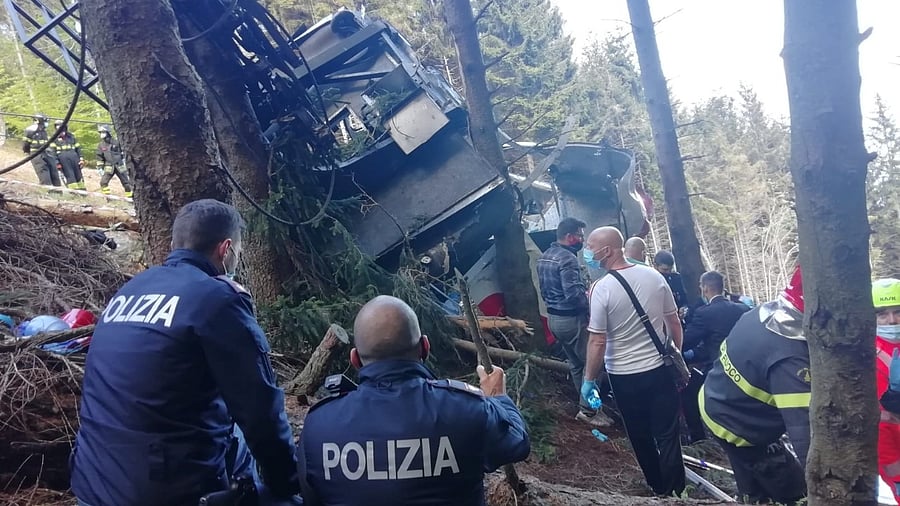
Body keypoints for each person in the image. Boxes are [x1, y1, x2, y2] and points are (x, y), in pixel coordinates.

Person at [70, 199, 301, 506]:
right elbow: (260, 410)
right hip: (165, 490)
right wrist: (288, 484)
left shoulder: (130, 290)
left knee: (237, 439)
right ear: (226, 249)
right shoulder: (217, 298)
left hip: (94, 480)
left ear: (173, 243)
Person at [297, 295, 530, 506]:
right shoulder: (467, 410)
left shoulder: (319, 425)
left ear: (355, 359)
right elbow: (517, 443)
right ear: (425, 348)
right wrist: (497, 397)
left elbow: (310, 497)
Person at [580, 226, 686, 497]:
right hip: (660, 370)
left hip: (624, 376)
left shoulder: (600, 289)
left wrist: (589, 380)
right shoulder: (653, 276)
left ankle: (657, 488)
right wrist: (675, 354)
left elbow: (597, 341)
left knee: (640, 436)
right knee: (668, 434)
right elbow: (673, 321)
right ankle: (677, 493)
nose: (587, 250)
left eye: (590, 246)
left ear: (607, 250)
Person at [700, 266, 808, 504]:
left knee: (752, 487)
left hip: (716, 403)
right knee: (794, 491)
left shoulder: (760, 313)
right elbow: (805, 433)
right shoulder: (791, 359)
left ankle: (752, 497)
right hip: (742, 427)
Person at [536, 217, 613, 427]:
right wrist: (592, 305)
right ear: (569, 237)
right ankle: (589, 412)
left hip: (554, 320)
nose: (582, 240)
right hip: (572, 321)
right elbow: (573, 295)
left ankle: (587, 407)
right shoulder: (568, 259)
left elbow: (545, 291)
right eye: (580, 235)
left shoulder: (545, 256)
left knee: (577, 366)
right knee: (594, 366)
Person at [680, 271, 750, 445]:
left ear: (704, 288)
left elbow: (688, 341)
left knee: (688, 395)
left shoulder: (704, 313)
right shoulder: (742, 308)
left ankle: (698, 438)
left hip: (719, 367)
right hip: (745, 366)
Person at [873, 278, 900, 504]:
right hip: (889, 442)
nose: (892, 320)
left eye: (897, 311)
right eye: (882, 314)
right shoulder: (862, 352)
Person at [22, 113, 61, 187]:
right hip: (36, 154)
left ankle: (57, 191)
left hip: (47, 153)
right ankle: (48, 190)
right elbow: (26, 145)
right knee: (43, 172)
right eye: (45, 121)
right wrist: (27, 152)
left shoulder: (43, 131)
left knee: (53, 171)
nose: (46, 123)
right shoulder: (30, 130)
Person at [96, 124, 133, 198]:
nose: (101, 134)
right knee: (103, 182)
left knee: (127, 183)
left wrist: (125, 161)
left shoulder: (116, 142)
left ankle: (130, 198)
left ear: (108, 132)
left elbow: (124, 152)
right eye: (100, 133)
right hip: (109, 167)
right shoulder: (101, 145)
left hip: (120, 166)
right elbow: (99, 156)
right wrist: (100, 167)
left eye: (103, 132)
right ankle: (108, 198)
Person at [50, 119, 86, 190]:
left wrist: (81, 159)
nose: (61, 131)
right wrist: (57, 163)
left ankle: (83, 192)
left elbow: (78, 148)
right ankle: (74, 193)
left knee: (79, 176)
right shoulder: (54, 138)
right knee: (70, 177)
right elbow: (53, 153)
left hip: (75, 159)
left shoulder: (71, 136)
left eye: (62, 129)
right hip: (63, 161)